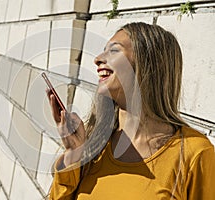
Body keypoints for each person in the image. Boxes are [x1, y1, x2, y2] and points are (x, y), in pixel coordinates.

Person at [47, 22, 215, 200]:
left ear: (149, 63)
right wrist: (73, 155)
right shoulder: (93, 143)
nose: (97, 58)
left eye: (114, 50)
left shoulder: (194, 153)